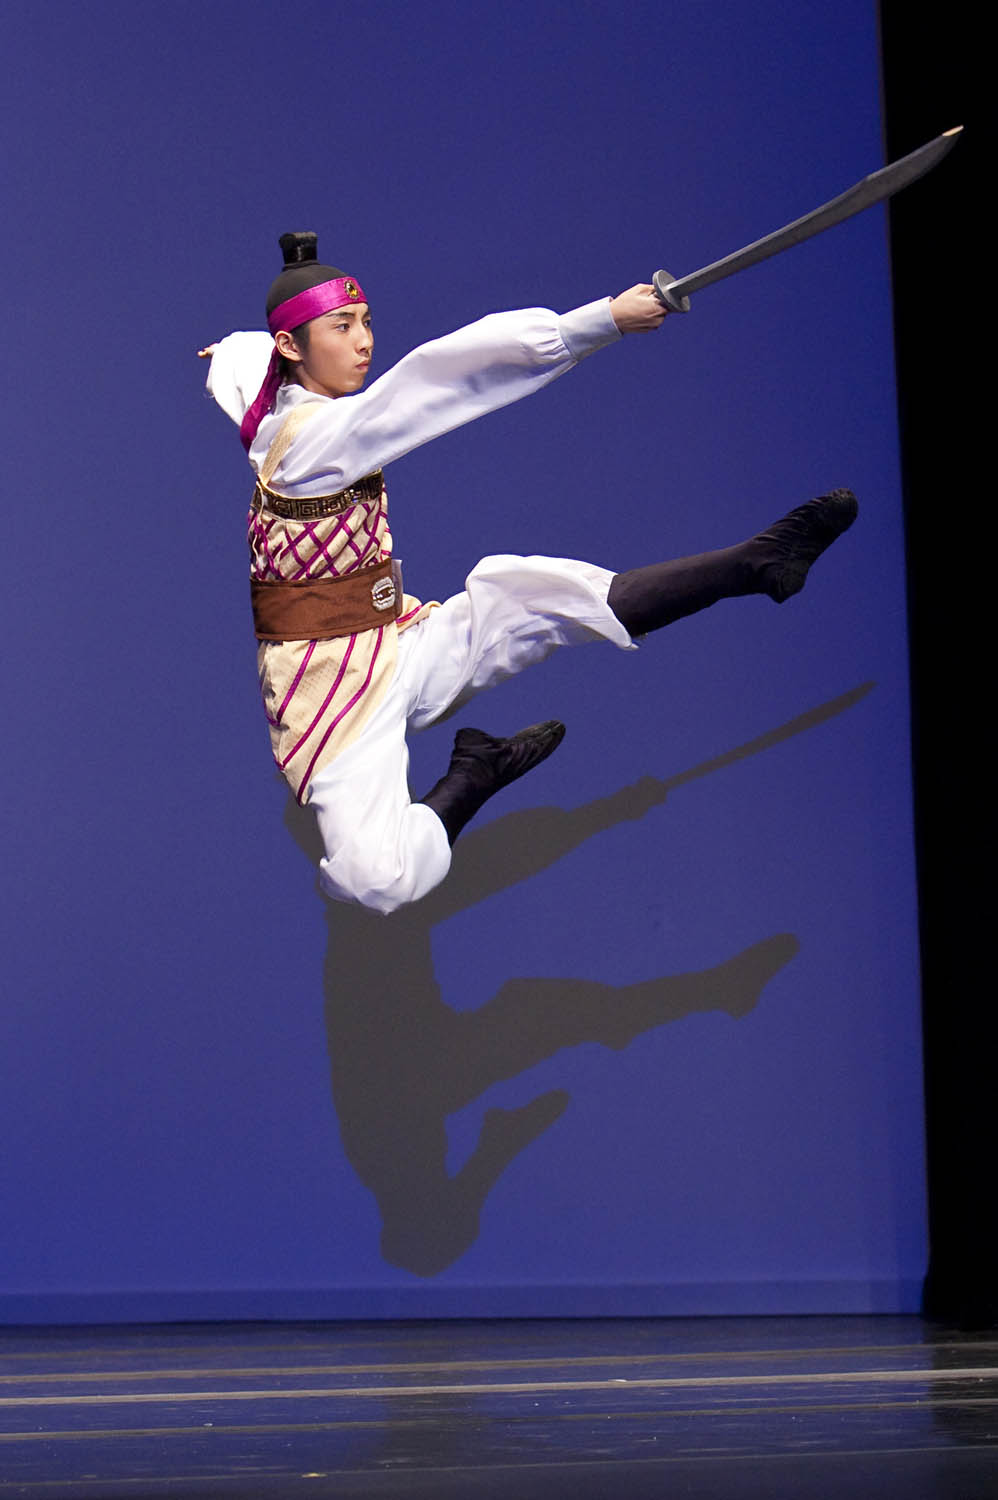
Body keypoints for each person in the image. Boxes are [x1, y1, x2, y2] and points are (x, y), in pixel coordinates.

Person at [202, 232, 856, 915]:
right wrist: (599, 322)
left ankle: (754, 562)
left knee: (535, 602)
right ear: (292, 347)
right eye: (342, 327)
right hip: (330, 690)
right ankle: (475, 774)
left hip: (396, 641)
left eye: (365, 321)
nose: (365, 341)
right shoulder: (316, 440)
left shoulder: (273, 395)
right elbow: (435, 380)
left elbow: (246, 365)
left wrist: (227, 351)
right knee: (379, 882)